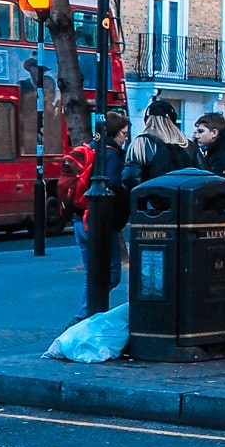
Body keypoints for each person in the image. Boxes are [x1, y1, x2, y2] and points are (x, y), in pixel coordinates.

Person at [71, 113, 129, 320]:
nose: (125, 138)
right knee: (111, 275)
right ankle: (88, 317)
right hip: (100, 222)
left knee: (92, 274)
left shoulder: (91, 149)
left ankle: (85, 316)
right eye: (123, 134)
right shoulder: (111, 154)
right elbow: (112, 185)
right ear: (114, 133)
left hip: (80, 218)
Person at [123, 100, 193, 187]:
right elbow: (204, 173)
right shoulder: (187, 144)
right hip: (184, 197)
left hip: (153, 196)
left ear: (146, 119)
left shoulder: (142, 143)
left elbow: (130, 177)